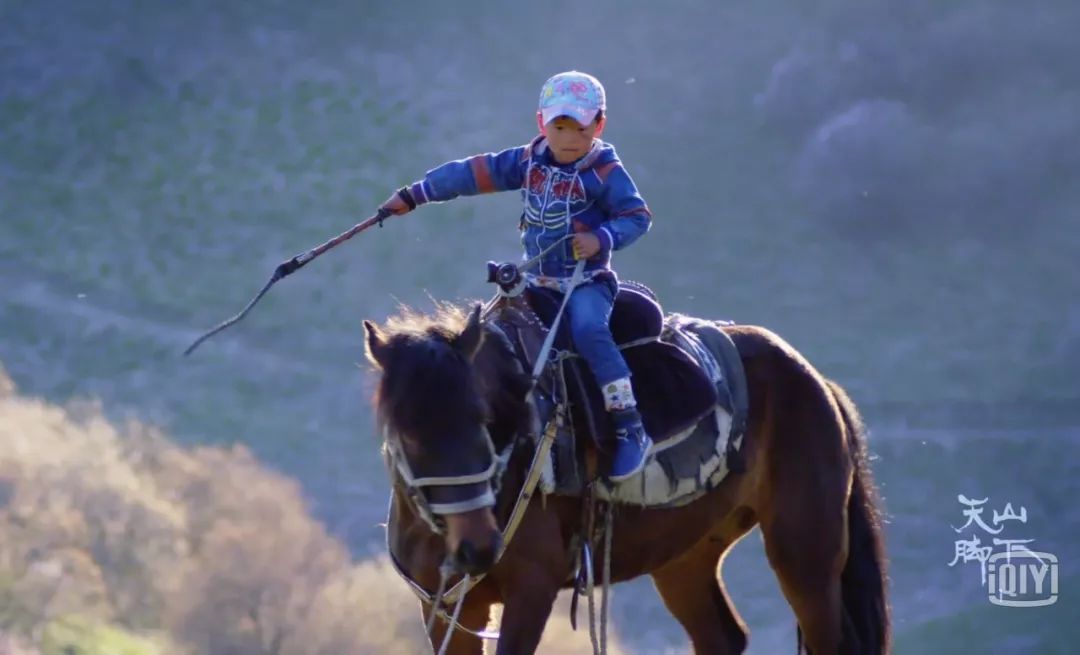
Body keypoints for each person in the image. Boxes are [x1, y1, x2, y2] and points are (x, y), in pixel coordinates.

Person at [379, 71, 653, 482]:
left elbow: (637, 217)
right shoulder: (525, 163)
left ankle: (628, 423)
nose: (569, 137)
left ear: (599, 125)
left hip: (585, 282)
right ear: (542, 123)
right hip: (533, 283)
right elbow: (471, 174)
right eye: (560, 126)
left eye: (580, 126)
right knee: (488, 343)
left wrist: (602, 238)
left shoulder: (605, 172)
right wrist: (415, 194)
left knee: (589, 329)